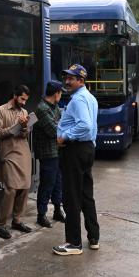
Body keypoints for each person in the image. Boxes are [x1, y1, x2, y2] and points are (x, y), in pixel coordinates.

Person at [53, 64, 100, 256]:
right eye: (66, 77)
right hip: (86, 149)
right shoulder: (89, 97)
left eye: (71, 78)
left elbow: (86, 126)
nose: (67, 81)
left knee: (71, 196)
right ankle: (93, 237)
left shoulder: (79, 99)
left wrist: (65, 137)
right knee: (85, 194)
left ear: (81, 80)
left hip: (75, 150)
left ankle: (73, 243)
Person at [0, 84, 34, 239]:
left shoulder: (24, 112)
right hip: (9, 153)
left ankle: (17, 220)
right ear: (15, 95)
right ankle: (1, 224)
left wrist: (25, 127)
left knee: (25, 187)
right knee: (10, 189)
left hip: (23, 151)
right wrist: (17, 127)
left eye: (26, 100)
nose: (24, 102)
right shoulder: (0, 111)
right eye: (22, 99)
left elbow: (24, 135)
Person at [33, 80, 66, 228]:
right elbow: (54, 130)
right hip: (47, 152)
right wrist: (59, 124)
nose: (61, 95)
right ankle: (41, 214)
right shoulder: (42, 108)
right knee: (47, 183)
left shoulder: (54, 107)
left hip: (57, 150)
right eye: (60, 93)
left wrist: (59, 124)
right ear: (56, 93)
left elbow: (63, 123)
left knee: (58, 182)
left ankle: (57, 210)